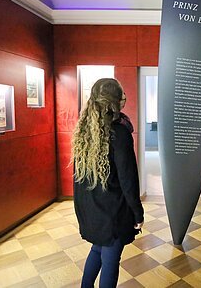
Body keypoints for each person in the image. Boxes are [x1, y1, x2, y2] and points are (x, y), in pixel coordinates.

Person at [71, 78, 144, 288]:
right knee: (111, 259)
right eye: (122, 97)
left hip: (91, 209)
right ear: (115, 102)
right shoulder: (119, 133)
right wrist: (137, 214)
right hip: (112, 211)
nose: (124, 101)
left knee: (97, 249)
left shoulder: (85, 130)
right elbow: (128, 180)